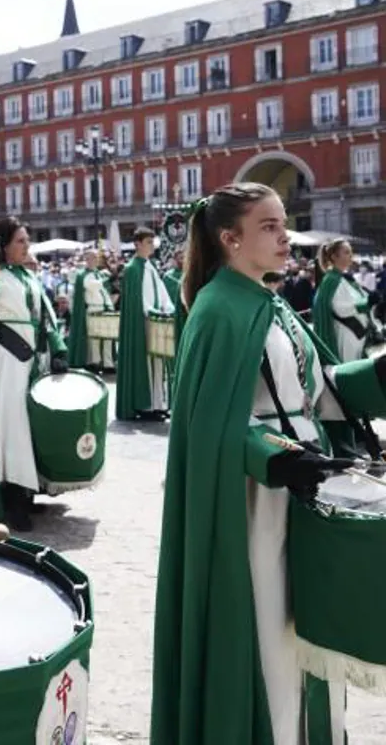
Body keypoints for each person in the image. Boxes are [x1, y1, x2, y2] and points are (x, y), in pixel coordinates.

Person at [151, 183, 386, 745]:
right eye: (270, 227)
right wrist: (271, 460)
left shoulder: (268, 300)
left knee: (307, 626)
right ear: (231, 238)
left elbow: (312, 392)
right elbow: (205, 425)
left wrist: (377, 376)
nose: (286, 237)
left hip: (300, 488)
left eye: (284, 224)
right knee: (270, 633)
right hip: (253, 504)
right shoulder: (217, 309)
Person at [0, 217, 67, 532]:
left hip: (35, 358)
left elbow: (44, 315)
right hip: (8, 359)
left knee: (31, 424)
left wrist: (58, 350)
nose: (26, 246)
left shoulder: (27, 277)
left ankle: (29, 490)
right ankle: (10, 497)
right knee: (11, 426)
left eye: (27, 240)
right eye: (20, 241)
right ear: (3, 246)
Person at [116, 228, 177, 420]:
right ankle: (145, 406)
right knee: (147, 364)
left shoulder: (150, 266)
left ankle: (158, 404)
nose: (152, 245)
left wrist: (168, 308)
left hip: (157, 321)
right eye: (148, 242)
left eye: (153, 242)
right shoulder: (132, 269)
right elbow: (139, 299)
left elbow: (161, 291)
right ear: (137, 244)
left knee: (158, 364)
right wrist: (151, 311)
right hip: (143, 324)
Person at [312, 238, 372, 363]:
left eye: (351, 252)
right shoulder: (332, 280)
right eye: (346, 252)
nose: (351, 256)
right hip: (347, 335)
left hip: (358, 336)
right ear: (334, 257)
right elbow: (341, 309)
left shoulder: (345, 279)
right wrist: (367, 303)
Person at [67, 250, 114, 372]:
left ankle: (108, 364)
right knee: (94, 339)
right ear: (86, 260)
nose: (94, 260)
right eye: (91, 258)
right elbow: (93, 286)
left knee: (108, 337)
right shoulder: (83, 275)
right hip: (92, 309)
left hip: (104, 308)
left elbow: (104, 291)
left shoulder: (98, 274)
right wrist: (105, 279)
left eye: (95, 258)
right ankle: (95, 362)